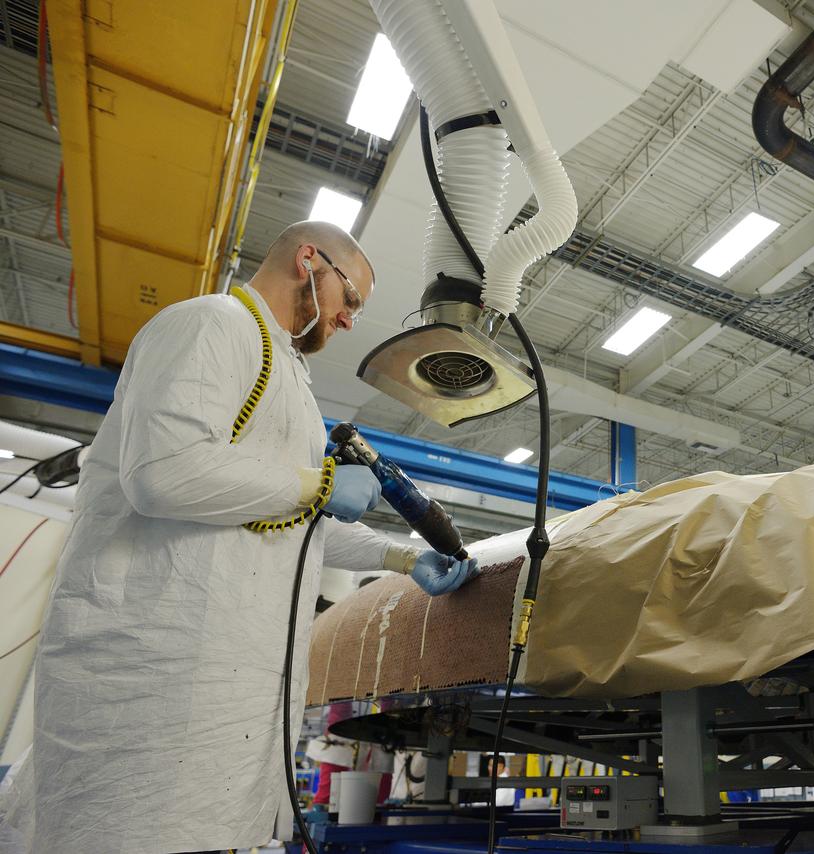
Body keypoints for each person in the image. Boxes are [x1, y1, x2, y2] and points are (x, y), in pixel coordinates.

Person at [0, 221, 478, 854]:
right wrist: (316, 485)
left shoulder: (293, 389)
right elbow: (163, 475)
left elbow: (284, 526)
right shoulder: (210, 325)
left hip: (231, 699)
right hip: (153, 682)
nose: (349, 321)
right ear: (309, 260)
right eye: (351, 299)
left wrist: (402, 556)